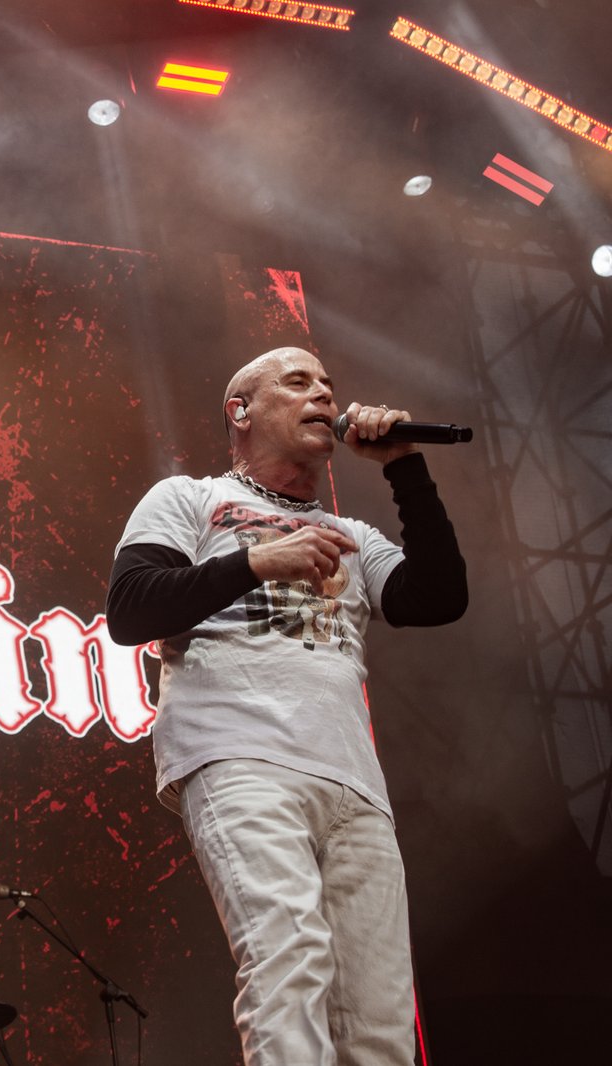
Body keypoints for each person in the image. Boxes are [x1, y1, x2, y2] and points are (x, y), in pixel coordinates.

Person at [106, 347, 466, 1066]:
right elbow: (131, 608)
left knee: (380, 1018)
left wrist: (403, 465)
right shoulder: (188, 498)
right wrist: (256, 560)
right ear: (240, 411)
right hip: (240, 757)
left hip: (354, 785)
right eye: (298, 382)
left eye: (328, 385)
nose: (324, 395)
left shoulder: (354, 537)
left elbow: (438, 596)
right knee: (288, 960)